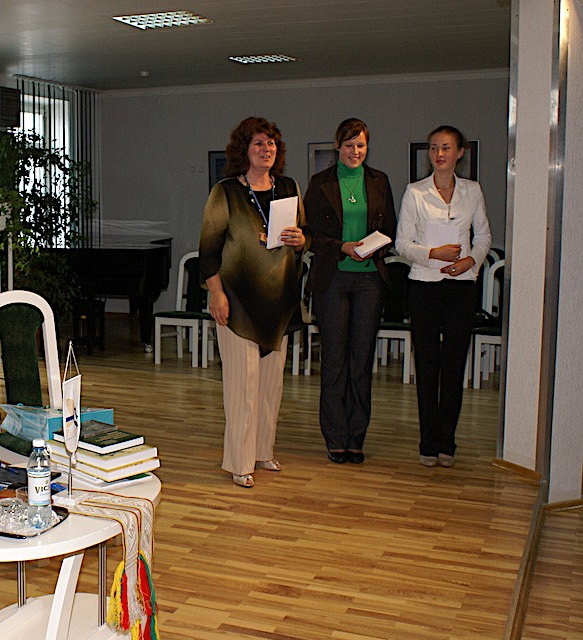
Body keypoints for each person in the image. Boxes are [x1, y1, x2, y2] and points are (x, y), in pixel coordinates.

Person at [199, 117, 308, 488]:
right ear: (243, 150)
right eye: (258, 143)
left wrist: (301, 239)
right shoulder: (226, 191)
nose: (266, 150)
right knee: (242, 388)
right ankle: (239, 462)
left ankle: (263, 451)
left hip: (279, 302)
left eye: (271, 143)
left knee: (270, 388)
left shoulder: (289, 188)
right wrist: (216, 293)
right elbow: (208, 251)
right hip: (238, 302)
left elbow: (303, 235)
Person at [396, 125, 491, 467]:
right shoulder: (415, 192)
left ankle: (446, 442)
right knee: (427, 363)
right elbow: (402, 243)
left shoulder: (472, 191)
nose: (439, 154)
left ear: (459, 153)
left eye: (446, 147)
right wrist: (433, 254)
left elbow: (483, 237)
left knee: (453, 364)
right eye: (434, 147)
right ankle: (427, 441)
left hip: (461, 286)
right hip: (424, 285)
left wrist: (469, 260)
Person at [304, 118, 398, 464]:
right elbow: (310, 235)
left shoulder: (379, 181)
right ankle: (335, 437)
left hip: (370, 281)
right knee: (334, 362)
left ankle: (356, 437)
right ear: (337, 146)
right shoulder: (320, 183)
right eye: (348, 145)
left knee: (361, 361)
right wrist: (341, 247)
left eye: (360, 145)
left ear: (367, 147)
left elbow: (390, 229)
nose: (354, 151)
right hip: (333, 280)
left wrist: (376, 246)